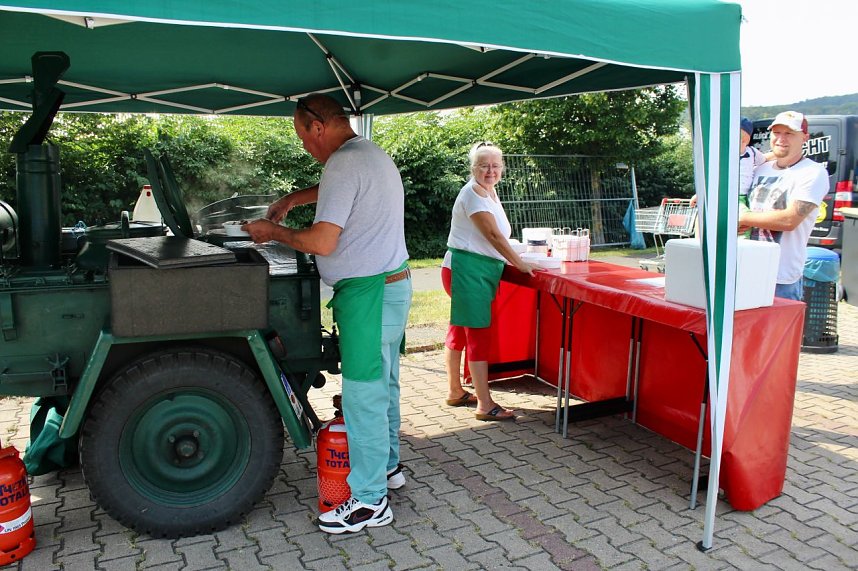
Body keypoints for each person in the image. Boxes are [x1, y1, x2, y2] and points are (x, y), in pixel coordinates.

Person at [243, 93, 411, 534]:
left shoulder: (343, 162)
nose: (304, 146)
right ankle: (388, 468)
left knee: (363, 396)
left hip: (368, 297)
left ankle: (371, 501)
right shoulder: (368, 154)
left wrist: (272, 231)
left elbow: (321, 243)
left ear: (317, 126)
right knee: (385, 384)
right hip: (392, 288)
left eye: (302, 136)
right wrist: (294, 200)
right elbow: (339, 190)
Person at [442, 142, 538, 421]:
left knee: (459, 331)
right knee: (477, 335)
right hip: (467, 271)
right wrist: (519, 263)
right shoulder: (473, 194)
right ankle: (485, 404)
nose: (490, 170)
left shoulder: (489, 192)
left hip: (470, 269)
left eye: (496, 166)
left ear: (502, 169)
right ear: (473, 168)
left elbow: (499, 237)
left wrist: (516, 252)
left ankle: (455, 391)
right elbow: (493, 237)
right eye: (484, 165)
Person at [738, 111, 828, 300]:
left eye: (789, 133)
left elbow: (789, 220)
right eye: (776, 133)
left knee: (776, 330)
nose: (781, 139)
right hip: (744, 270)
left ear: (805, 138)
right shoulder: (759, 168)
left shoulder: (813, 173)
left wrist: (742, 218)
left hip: (780, 280)